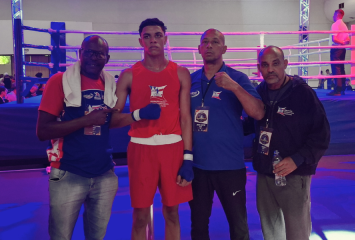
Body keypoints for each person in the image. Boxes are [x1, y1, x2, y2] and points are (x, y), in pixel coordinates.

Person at [110, 18, 193, 240]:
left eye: (158, 35)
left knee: (172, 213)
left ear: (165, 39)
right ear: (140, 41)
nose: (153, 40)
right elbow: (112, 120)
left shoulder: (180, 73)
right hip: (141, 149)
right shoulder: (129, 75)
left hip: (172, 149)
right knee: (140, 216)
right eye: (147, 36)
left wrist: (188, 157)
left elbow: (185, 118)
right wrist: (137, 115)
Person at [36, 35, 119, 240]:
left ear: (107, 58)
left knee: (97, 237)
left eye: (99, 53)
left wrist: (139, 115)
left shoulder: (110, 84)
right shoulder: (60, 81)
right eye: (88, 52)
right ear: (80, 54)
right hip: (67, 172)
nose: (93, 57)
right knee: (61, 236)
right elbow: (43, 131)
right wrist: (85, 120)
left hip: (103, 173)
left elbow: (111, 122)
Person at [189, 28, 265, 240]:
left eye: (215, 42)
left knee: (238, 225)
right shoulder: (190, 80)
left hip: (230, 167)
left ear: (224, 48)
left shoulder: (237, 77)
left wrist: (235, 88)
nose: (210, 45)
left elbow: (258, 112)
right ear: (199, 48)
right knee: (198, 226)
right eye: (205, 42)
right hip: (198, 167)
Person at [248, 46, 330, 240]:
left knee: (297, 232)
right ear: (259, 68)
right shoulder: (259, 92)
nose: (270, 70)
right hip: (265, 172)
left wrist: (297, 159)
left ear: (285, 64)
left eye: (275, 64)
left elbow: (322, 135)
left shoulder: (302, 93)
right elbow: (250, 124)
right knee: (271, 230)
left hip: (294, 174)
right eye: (265, 65)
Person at [327, 9, 350, 96]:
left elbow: (334, 39)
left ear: (337, 15)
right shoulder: (344, 26)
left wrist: (342, 42)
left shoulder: (335, 24)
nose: (333, 16)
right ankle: (342, 89)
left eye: (334, 14)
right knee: (341, 67)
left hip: (336, 48)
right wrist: (343, 43)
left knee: (336, 68)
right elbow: (348, 40)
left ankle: (337, 90)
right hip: (342, 49)